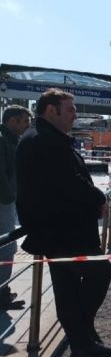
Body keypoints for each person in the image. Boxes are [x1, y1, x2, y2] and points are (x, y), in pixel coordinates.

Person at [16, 88, 111, 357]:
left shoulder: (45, 137)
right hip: (62, 231)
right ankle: (82, 334)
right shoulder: (42, 140)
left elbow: (69, 178)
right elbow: (69, 182)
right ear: (52, 110)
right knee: (98, 273)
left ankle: (82, 342)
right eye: (70, 109)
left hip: (60, 229)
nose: (75, 115)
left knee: (68, 288)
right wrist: (98, 197)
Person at [0, 105, 31, 310]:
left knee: (7, 247)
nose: (27, 126)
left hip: (7, 201)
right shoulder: (3, 141)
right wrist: (10, 196)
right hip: (3, 203)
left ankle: (3, 290)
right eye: (24, 121)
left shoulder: (10, 140)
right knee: (7, 247)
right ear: (12, 121)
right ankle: (1, 295)